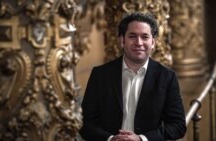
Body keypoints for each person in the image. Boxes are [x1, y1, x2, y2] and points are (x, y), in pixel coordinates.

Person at [80, 12, 186, 141]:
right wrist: (111, 139)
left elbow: (178, 126)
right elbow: (85, 123)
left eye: (145, 37)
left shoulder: (167, 77)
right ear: (122, 40)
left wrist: (142, 139)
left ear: (153, 42)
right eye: (132, 36)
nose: (139, 42)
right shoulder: (100, 75)